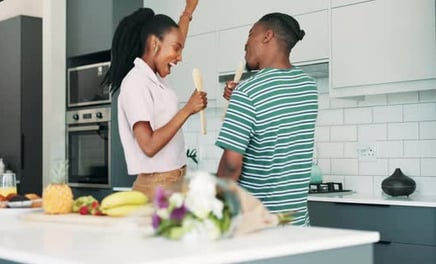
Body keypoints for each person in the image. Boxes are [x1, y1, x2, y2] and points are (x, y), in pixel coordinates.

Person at [215, 12, 318, 226]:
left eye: (250, 34)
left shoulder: (249, 92)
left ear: (267, 36)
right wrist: (240, 101)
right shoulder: (309, 87)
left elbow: (232, 165)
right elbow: (276, 115)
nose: (246, 44)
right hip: (298, 227)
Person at [106, 0, 207, 199]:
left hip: (174, 181)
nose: (180, 57)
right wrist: (187, 110)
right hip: (157, 185)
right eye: (177, 49)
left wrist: (188, 10)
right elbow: (149, 145)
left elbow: (175, 39)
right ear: (154, 44)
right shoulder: (136, 83)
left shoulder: (155, 76)